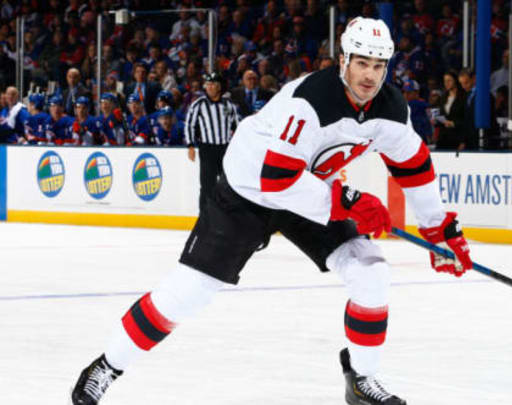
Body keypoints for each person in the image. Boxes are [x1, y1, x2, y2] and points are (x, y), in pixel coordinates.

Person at [70, 17, 475, 405]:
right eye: (362, 63)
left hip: (309, 189)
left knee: (371, 270)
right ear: (344, 61)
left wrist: (439, 229)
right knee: (189, 293)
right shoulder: (311, 101)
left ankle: (362, 378)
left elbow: (414, 165)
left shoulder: (390, 107)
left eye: (379, 65)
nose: (370, 75)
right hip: (250, 190)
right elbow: (276, 181)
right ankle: (106, 366)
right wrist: (349, 202)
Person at [185, 72, 241, 211]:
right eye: (208, 84)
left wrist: (238, 147)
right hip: (207, 149)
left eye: (213, 84)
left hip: (225, 149)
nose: (209, 87)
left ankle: (227, 217)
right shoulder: (198, 104)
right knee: (207, 186)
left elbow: (238, 127)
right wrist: (190, 145)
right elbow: (190, 125)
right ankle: (204, 219)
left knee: (228, 185)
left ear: (219, 87)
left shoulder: (229, 105)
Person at [434, 72, 466, 151]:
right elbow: (438, 114)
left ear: (455, 81)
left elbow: (467, 119)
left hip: (457, 137)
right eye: (445, 81)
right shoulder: (443, 97)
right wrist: (436, 119)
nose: (446, 83)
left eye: (449, 81)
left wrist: (453, 123)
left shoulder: (464, 96)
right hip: (443, 138)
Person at [402, 79, 432, 144]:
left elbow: (431, 121)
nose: (406, 95)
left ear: (417, 93)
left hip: (419, 139)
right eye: (404, 92)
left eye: (409, 92)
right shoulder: (403, 104)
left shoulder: (422, 105)